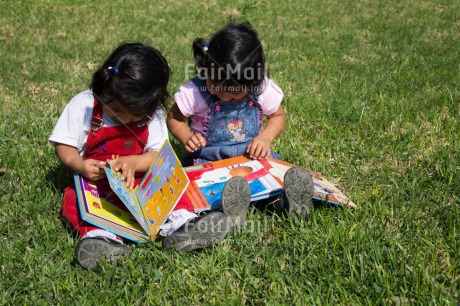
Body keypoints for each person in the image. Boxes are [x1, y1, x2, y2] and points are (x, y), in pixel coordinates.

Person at [49, 43, 228, 270]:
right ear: (106, 91)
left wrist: (134, 162)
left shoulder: (152, 113)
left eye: (136, 117)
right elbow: (64, 145)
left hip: (141, 182)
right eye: (119, 112)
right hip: (95, 183)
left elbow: (158, 155)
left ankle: (183, 224)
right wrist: (79, 165)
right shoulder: (84, 105)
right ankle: (99, 238)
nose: (127, 121)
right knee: (74, 200)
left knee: (172, 182)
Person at [167, 22, 314, 226]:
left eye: (235, 93)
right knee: (196, 190)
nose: (223, 96)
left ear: (253, 81)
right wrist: (186, 137)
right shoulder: (195, 92)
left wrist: (265, 137)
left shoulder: (260, 88)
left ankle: (286, 203)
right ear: (207, 69)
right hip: (208, 161)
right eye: (215, 86)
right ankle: (220, 214)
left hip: (252, 157)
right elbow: (174, 118)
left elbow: (278, 116)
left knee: (272, 179)